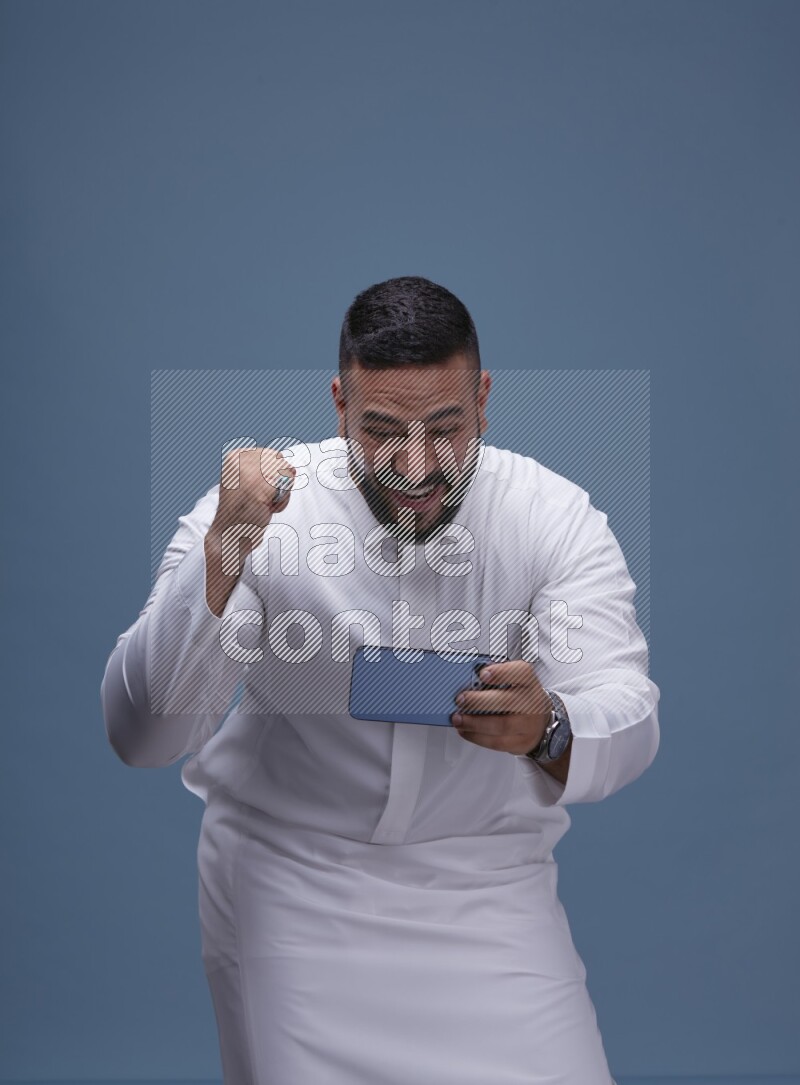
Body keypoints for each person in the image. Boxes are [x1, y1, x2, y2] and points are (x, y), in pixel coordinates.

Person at [101, 275, 659, 1084]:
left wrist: (550, 726)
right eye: (382, 430)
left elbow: (627, 709)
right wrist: (225, 549)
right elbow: (142, 734)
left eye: (446, 428)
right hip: (291, 883)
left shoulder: (555, 517)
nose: (417, 467)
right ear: (339, 405)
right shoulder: (261, 513)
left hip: (488, 889)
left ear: (484, 399)